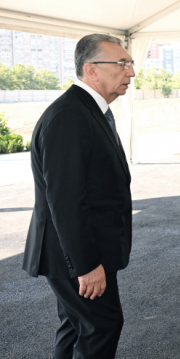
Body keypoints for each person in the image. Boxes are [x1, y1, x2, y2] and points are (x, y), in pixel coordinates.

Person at [22, 34, 136, 358]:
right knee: (102, 327)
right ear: (92, 70)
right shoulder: (69, 117)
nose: (131, 72)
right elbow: (66, 199)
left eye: (130, 63)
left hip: (78, 250)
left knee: (76, 327)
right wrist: (86, 265)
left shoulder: (89, 110)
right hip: (77, 256)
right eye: (122, 63)